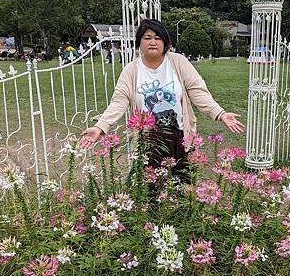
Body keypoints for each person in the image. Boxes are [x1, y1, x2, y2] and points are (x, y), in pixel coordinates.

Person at [80, 19, 244, 178]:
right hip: (148, 140)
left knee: (181, 186)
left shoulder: (178, 62)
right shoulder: (131, 70)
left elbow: (198, 91)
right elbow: (119, 101)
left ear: (165, 42)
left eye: (158, 38)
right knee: (150, 187)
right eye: (147, 38)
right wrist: (100, 127)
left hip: (179, 136)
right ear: (139, 42)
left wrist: (220, 113)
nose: (153, 42)